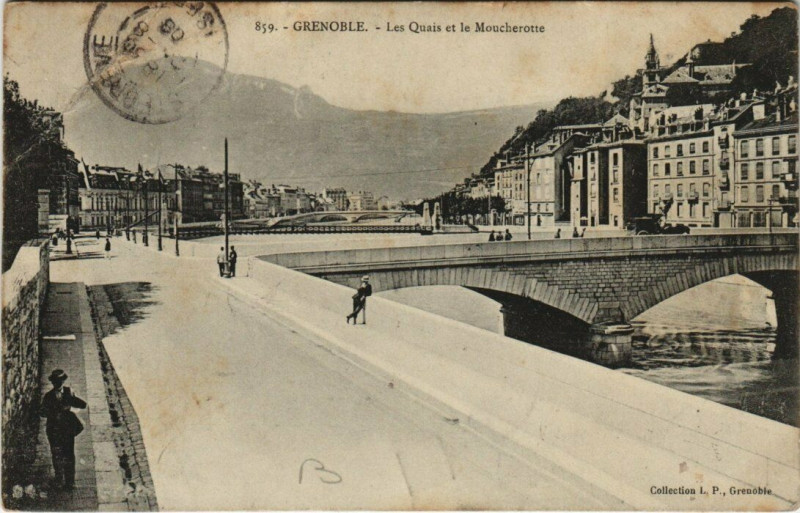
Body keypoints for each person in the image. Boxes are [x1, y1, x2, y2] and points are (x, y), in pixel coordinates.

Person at [40, 369, 86, 490]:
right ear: (52, 382)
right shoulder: (48, 396)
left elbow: (82, 405)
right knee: (56, 454)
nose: (58, 383)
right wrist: (53, 412)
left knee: (69, 455)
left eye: (60, 381)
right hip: (54, 430)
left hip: (67, 430)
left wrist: (71, 407)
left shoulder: (68, 392)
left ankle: (70, 481)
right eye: (56, 381)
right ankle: (59, 478)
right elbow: (42, 412)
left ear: (63, 381)